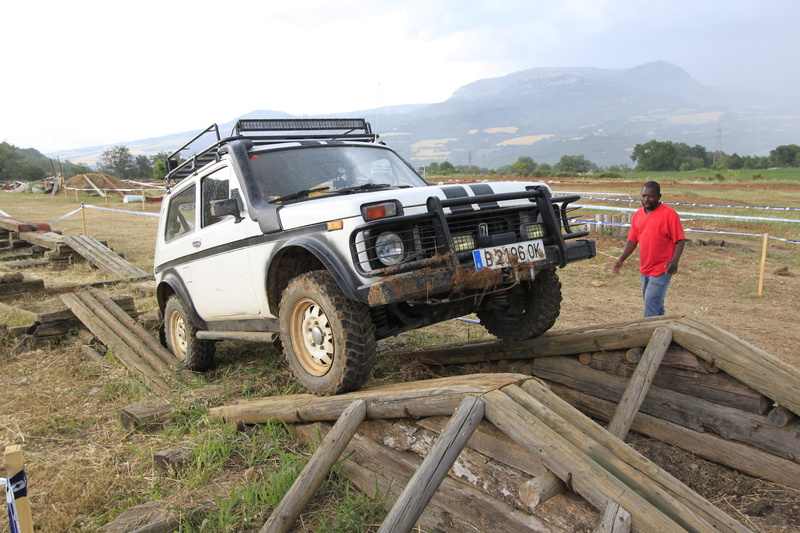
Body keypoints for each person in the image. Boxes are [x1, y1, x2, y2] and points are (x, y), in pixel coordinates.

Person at [613, 181, 686, 317]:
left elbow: (680, 240)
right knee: (655, 305)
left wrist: (675, 261)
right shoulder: (638, 215)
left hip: (662, 268)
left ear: (659, 196)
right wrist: (621, 259)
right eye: (644, 196)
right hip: (645, 268)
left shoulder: (669, 215)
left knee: (650, 307)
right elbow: (632, 240)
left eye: (651, 196)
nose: (646, 199)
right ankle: (664, 331)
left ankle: (650, 335)